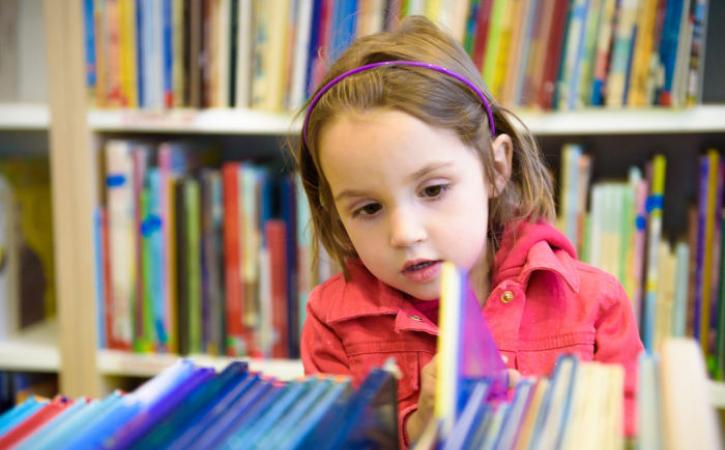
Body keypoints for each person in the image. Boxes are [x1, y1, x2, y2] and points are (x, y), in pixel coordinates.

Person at [294, 15, 643, 447]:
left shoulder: (593, 303)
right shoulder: (333, 321)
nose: (404, 233)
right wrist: (418, 429)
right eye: (369, 208)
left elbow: (632, 435)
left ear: (496, 168)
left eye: (434, 189)